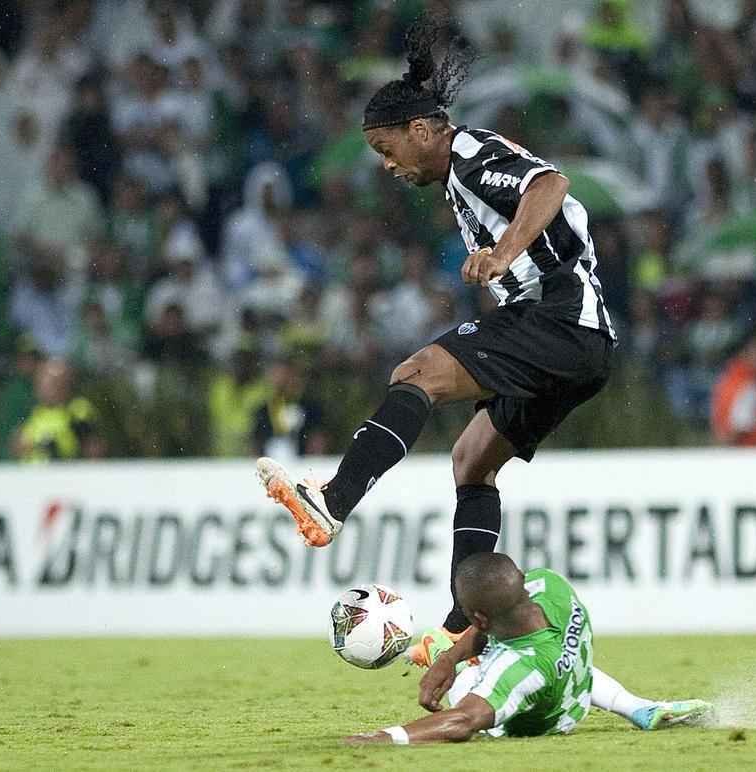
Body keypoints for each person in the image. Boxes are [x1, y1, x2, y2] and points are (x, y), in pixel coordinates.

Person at [256, 18, 615, 660]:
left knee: (417, 373)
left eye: (387, 149)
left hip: (559, 317)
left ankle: (333, 500)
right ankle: (463, 629)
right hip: (580, 341)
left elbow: (551, 185)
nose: (388, 165)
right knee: (472, 461)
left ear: (422, 130)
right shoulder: (459, 174)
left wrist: (504, 251)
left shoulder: (470, 154)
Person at [345, 553, 711, 745]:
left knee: (471, 676)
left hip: (547, 721)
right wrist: (450, 657)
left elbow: (463, 722)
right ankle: (637, 707)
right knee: (552, 657)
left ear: (478, 618)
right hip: (575, 686)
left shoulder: (517, 669)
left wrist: (386, 736)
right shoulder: (549, 584)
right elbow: (491, 625)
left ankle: (424, 650)